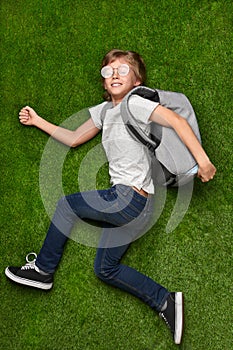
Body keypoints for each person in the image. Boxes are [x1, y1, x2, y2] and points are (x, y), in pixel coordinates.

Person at [5, 49, 216, 345]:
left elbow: (176, 122)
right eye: (108, 72)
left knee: (67, 206)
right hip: (137, 210)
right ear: (104, 83)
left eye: (122, 70)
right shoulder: (104, 112)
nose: (114, 75)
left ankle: (42, 270)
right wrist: (38, 121)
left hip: (128, 199)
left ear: (136, 79)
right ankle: (165, 300)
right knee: (106, 269)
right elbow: (74, 138)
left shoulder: (136, 102)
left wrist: (203, 162)